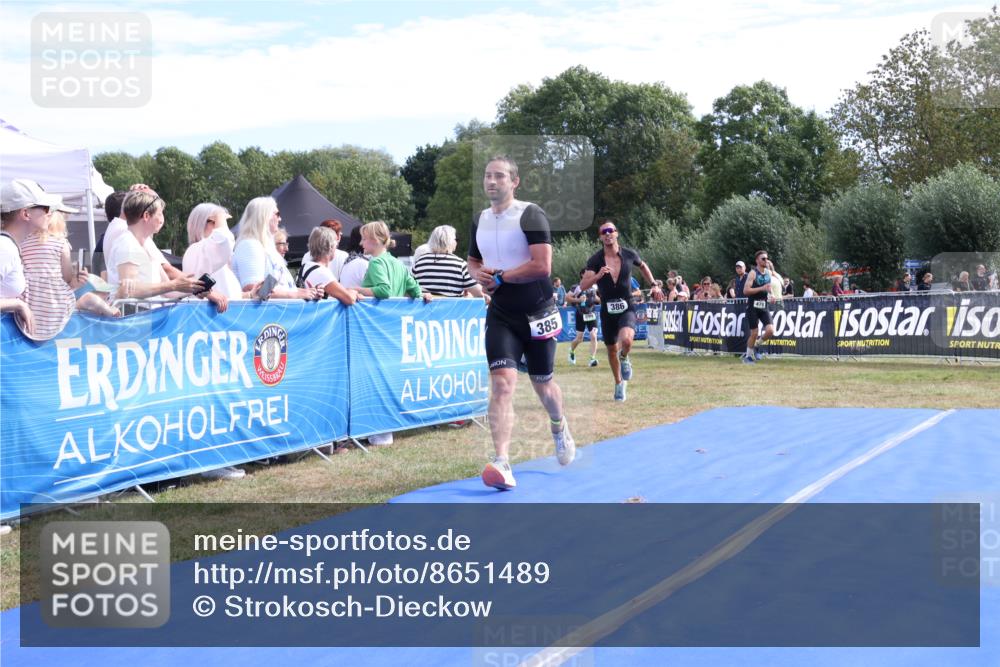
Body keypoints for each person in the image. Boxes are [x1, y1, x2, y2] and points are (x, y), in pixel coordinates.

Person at [467, 155, 575, 490]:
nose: (491, 181)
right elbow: (472, 260)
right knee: (501, 384)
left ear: (515, 182)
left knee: (543, 383)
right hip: (501, 313)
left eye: (499, 176)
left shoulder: (530, 214)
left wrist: (502, 278)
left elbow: (542, 266)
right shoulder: (479, 219)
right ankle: (502, 461)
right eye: (487, 176)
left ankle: (558, 426)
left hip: (537, 311)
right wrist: (480, 276)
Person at [357, 220, 431, 446]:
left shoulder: (377, 263)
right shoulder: (398, 264)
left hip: (378, 330)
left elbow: (383, 291)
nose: (360, 243)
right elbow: (416, 290)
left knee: (377, 381)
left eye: (364, 238)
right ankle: (386, 429)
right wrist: (422, 295)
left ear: (375, 240)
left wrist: (354, 289)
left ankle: (381, 433)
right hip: (394, 330)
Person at [579, 220, 663, 401]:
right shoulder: (595, 260)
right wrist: (598, 276)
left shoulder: (629, 254)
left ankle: (624, 357)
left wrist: (654, 285)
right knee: (610, 350)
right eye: (604, 232)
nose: (608, 234)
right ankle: (618, 383)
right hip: (607, 310)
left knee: (626, 340)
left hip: (627, 305)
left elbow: (643, 266)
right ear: (601, 237)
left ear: (616, 233)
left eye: (610, 230)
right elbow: (583, 285)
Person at [109, 191, 227, 311]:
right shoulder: (127, 243)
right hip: (133, 320)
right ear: (146, 216)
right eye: (159, 214)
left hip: (146, 318)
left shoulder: (147, 245)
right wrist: (174, 285)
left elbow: (169, 292)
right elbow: (129, 290)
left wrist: (193, 288)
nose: (162, 219)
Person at [21, 204, 120, 341]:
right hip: (56, 301)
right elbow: (67, 278)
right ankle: (87, 303)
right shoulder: (61, 244)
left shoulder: (22, 243)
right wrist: (76, 278)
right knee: (84, 298)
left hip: (30, 300)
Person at [1, 178, 64, 335]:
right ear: (25, 214)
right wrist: (18, 304)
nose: (49, 213)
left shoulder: (9, 246)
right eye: (44, 207)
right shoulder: (5, 248)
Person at [232, 197, 321, 300]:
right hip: (264, 314)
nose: (280, 219)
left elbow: (277, 287)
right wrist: (296, 295)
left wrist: (309, 291)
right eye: (277, 214)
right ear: (264, 216)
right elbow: (254, 290)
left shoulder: (263, 247)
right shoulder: (250, 245)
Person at [183, 203, 244, 300]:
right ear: (202, 223)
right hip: (208, 313)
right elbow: (224, 239)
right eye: (217, 221)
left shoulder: (202, 249)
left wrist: (250, 295)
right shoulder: (196, 249)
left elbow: (226, 292)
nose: (223, 225)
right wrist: (219, 214)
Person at [411, 224, 482, 298]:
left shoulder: (419, 262)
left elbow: (410, 288)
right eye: (456, 240)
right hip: (451, 309)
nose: (456, 242)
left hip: (425, 309)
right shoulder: (460, 264)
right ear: (450, 242)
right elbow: (479, 294)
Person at [301, 226, 362, 304]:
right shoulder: (321, 272)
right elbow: (349, 299)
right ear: (330, 247)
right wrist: (354, 292)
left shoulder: (306, 266)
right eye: (336, 246)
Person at [742, 250, 775, 364]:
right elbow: (746, 291)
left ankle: (755, 345)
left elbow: (769, 287)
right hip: (752, 307)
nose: (766, 260)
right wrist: (761, 288)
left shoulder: (768, 273)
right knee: (754, 333)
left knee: (770, 330)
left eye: (767, 258)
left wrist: (772, 295)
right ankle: (748, 357)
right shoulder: (753, 273)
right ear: (757, 261)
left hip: (764, 305)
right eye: (763, 259)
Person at [566, 268, 600, 367]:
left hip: (591, 314)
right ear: (582, 275)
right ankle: (571, 351)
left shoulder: (594, 286)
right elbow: (567, 298)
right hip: (581, 314)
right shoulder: (576, 287)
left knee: (593, 335)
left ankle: (592, 359)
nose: (590, 275)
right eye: (587, 274)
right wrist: (578, 300)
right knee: (579, 339)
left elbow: (596, 298)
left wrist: (604, 301)